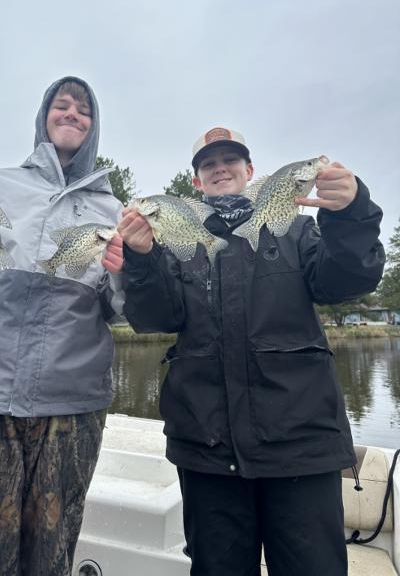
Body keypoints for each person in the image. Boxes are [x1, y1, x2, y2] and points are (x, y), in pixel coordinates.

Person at [117, 127, 385, 576]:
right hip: (206, 449)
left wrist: (350, 215)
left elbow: (347, 281)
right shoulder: (177, 239)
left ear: (250, 170)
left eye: (230, 160)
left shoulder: (297, 228)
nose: (220, 169)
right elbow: (155, 318)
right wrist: (141, 259)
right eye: (209, 164)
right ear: (197, 182)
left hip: (301, 446)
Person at [0, 76, 124, 575]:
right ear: (43, 117)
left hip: (70, 405)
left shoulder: (113, 211)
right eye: (61, 105)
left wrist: (134, 267)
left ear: (94, 126)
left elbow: (118, 308)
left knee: (48, 556)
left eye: (83, 109)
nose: (71, 114)